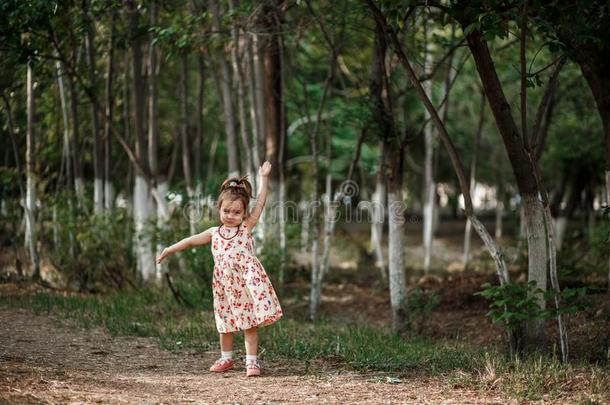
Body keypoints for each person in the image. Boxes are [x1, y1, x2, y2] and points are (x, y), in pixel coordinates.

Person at [156, 161, 282, 377]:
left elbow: (260, 203)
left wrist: (264, 178)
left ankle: (252, 362)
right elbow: (190, 241)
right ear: (219, 209)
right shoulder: (214, 232)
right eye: (226, 211)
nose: (230, 215)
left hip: (245, 284)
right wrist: (170, 248)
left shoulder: (245, 228)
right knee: (225, 324)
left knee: (249, 324)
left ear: (244, 214)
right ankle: (226, 358)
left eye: (236, 212)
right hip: (224, 287)